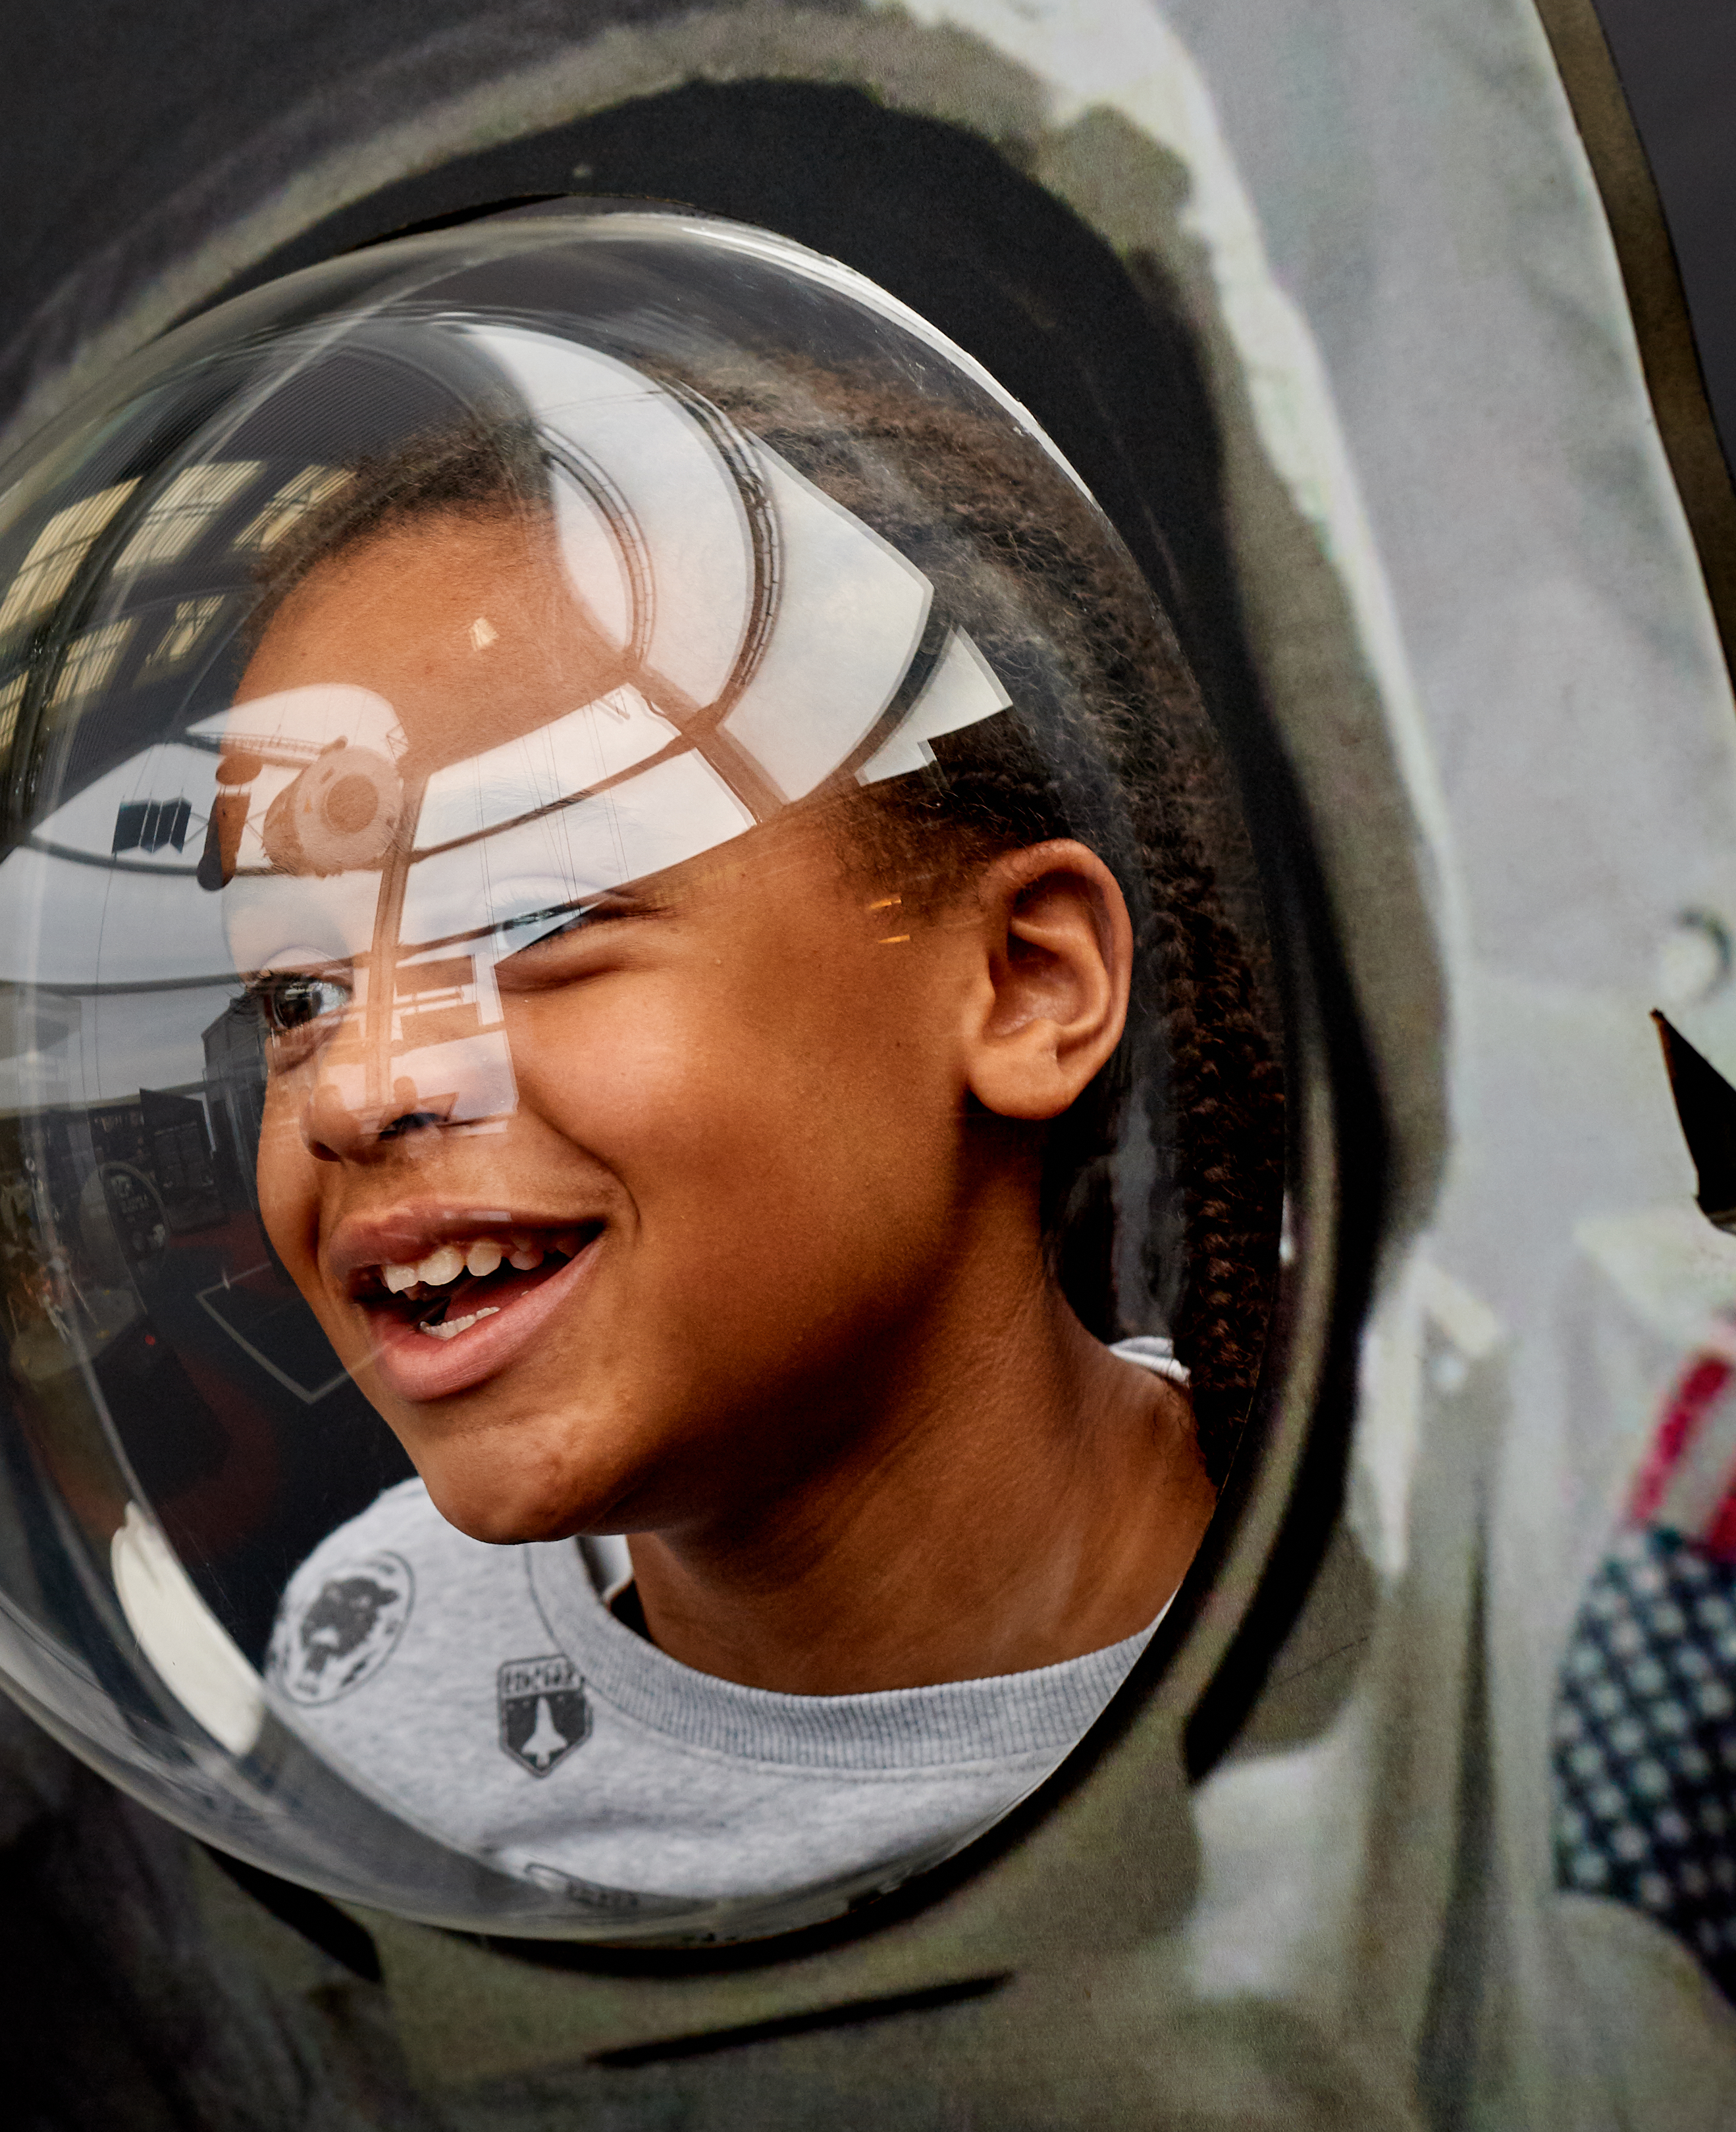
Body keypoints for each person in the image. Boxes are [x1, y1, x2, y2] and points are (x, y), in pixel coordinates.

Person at [223, 357, 1284, 1905]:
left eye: (538, 912)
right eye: (295, 994)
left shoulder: (1409, 1668)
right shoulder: (377, 1668)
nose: (356, 1085)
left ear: (1021, 987)